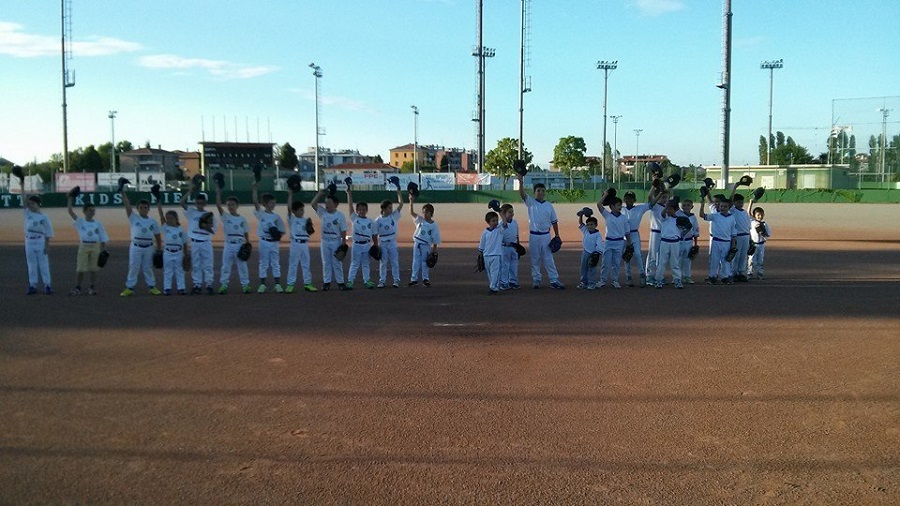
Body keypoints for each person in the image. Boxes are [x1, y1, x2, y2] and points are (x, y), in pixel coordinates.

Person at [516, 174, 564, 289]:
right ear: (534, 192)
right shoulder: (531, 202)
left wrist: (557, 235)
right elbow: (522, 194)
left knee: (548, 258)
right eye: (538, 191)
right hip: (534, 236)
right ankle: (536, 280)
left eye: (542, 190)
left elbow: (554, 221)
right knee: (535, 259)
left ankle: (554, 280)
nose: (540, 192)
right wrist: (521, 182)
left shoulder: (549, 206)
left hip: (546, 236)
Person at [120, 187, 162, 296]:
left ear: (148, 209)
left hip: (148, 247)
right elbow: (127, 204)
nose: (143, 209)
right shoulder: (133, 218)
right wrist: (122, 192)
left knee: (148, 268)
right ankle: (129, 288)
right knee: (133, 267)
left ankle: (152, 287)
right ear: (137, 209)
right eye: (141, 207)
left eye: (145, 207)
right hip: (136, 246)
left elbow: (157, 236)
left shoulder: (153, 222)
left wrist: (159, 248)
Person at [67, 195, 108, 296]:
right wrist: (70, 198)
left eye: (93, 210)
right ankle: (78, 287)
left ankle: (92, 287)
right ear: (84, 211)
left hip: (95, 247)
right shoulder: (80, 222)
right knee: (80, 268)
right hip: (84, 246)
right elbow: (70, 211)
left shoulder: (98, 224)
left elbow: (103, 238)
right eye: (90, 210)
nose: (92, 211)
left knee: (94, 269)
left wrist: (102, 250)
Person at [179, 186, 216, 294]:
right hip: (195, 242)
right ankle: (197, 285)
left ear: (205, 203)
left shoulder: (209, 215)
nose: (200, 204)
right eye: (198, 202)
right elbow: (181, 202)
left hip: (206, 242)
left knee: (208, 264)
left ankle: (209, 284)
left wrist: (205, 226)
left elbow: (213, 230)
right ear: (195, 203)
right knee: (196, 264)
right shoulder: (191, 212)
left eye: (201, 202)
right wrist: (190, 190)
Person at [215, 186, 251, 294]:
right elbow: (218, 205)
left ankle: (245, 285)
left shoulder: (242, 219)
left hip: (239, 244)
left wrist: (247, 242)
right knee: (226, 265)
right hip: (228, 244)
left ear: (237, 206)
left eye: (232, 204)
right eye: (228, 205)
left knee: (242, 266)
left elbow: (245, 231)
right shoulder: (225, 217)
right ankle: (224, 285)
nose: (230, 206)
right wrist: (218, 192)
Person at [310, 188, 349, 291]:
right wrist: (319, 193)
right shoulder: (323, 212)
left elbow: (343, 230)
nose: (326, 205)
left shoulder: (340, 215)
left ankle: (340, 282)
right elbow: (313, 204)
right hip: (325, 241)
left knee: (337, 262)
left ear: (335, 204)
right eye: (326, 202)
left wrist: (343, 243)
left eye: (329, 203)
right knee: (326, 263)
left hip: (335, 241)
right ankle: (326, 282)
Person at [252, 180, 286, 293]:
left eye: (274, 203)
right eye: (271, 203)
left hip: (274, 243)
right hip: (263, 242)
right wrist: (255, 189)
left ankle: (277, 284)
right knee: (263, 263)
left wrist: (278, 235)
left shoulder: (276, 217)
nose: (273, 205)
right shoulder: (261, 214)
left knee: (275, 263)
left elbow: (282, 230)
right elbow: (255, 202)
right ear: (265, 204)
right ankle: (262, 285)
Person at [285, 187, 317, 293]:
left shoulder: (305, 220)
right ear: (294, 211)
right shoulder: (292, 219)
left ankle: (307, 283)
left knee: (306, 264)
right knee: (293, 264)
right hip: (295, 244)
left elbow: (310, 231)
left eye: (303, 209)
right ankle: (290, 284)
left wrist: (310, 228)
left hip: (304, 244)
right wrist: (290, 195)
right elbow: (289, 209)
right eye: (300, 210)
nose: (302, 211)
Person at [596, 192, 632, 289]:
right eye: (618, 205)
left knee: (616, 263)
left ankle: (615, 280)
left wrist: (629, 243)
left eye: (621, 205)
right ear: (611, 206)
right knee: (605, 262)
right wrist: (606, 195)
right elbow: (598, 204)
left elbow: (627, 232)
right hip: (609, 242)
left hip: (619, 242)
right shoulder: (607, 215)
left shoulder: (624, 218)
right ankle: (603, 280)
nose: (620, 207)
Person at [699, 195, 737, 284]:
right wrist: (702, 205)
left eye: (725, 206)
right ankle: (712, 276)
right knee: (714, 260)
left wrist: (734, 244)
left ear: (729, 207)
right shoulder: (715, 216)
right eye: (721, 206)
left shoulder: (732, 218)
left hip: (727, 242)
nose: (723, 208)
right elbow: (702, 215)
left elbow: (733, 233)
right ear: (719, 207)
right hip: (716, 241)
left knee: (726, 260)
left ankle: (725, 277)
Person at [22, 192, 54, 295]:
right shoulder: (27, 213)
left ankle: (47, 285)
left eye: (33, 204)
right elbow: (24, 201)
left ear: (38, 204)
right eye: (29, 204)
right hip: (29, 241)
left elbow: (48, 232)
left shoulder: (44, 217)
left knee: (43, 264)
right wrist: (22, 185)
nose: (30, 205)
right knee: (31, 264)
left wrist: (47, 245)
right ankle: (33, 285)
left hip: (40, 240)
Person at [373, 184, 404, 288]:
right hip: (383, 243)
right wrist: (376, 245)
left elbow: (401, 204)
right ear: (384, 209)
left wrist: (398, 192)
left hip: (392, 242)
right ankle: (382, 281)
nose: (391, 209)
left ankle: (396, 280)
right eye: (390, 207)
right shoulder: (378, 220)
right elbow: (374, 233)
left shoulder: (393, 216)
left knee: (394, 262)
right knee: (383, 263)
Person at [652, 197, 686, 289]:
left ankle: (677, 280)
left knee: (675, 263)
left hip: (675, 243)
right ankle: (659, 280)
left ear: (675, 210)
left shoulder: (679, 219)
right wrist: (666, 206)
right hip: (665, 242)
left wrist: (681, 235)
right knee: (662, 262)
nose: (668, 211)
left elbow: (687, 228)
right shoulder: (664, 218)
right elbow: (662, 213)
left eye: (671, 209)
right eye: (668, 209)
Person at [156, 197, 188, 295]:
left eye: (171, 218)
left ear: (176, 218)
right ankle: (167, 288)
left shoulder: (181, 230)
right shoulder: (166, 227)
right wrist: (158, 202)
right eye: (167, 218)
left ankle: (181, 288)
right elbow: (161, 216)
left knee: (180, 271)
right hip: (168, 252)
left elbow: (185, 243)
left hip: (178, 252)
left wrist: (186, 254)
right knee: (168, 271)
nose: (169, 220)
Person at [408, 192, 441, 287]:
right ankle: (413, 279)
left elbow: (435, 240)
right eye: (423, 212)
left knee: (425, 262)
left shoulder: (434, 225)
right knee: (415, 261)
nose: (424, 214)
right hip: (417, 243)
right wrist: (411, 201)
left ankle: (425, 279)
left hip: (426, 245)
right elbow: (411, 212)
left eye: (426, 212)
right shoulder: (420, 220)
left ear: (431, 213)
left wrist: (433, 252)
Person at [346, 186, 375, 289]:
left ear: (366, 210)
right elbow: (350, 206)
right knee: (354, 264)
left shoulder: (370, 221)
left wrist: (375, 245)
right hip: (357, 244)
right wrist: (349, 193)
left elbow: (374, 234)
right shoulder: (354, 218)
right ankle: (350, 281)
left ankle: (366, 281)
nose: (362, 211)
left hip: (366, 244)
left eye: (363, 209)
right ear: (357, 210)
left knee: (366, 264)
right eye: (360, 209)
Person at [621, 191, 651, 287]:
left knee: (637, 254)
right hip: (624, 236)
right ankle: (628, 277)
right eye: (627, 198)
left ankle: (642, 275)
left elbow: (651, 203)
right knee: (626, 256)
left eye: (631, 198)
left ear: (634, 200)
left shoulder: (640, 208)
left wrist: (656, 190)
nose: (629, 200)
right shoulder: (620, 209)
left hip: (634, 234)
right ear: (624, 200)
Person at [728, 185, 752, 282]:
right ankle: (733, 273)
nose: (740, 204)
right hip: (737, 236)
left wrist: (751, 239)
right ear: (734, 202)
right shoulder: (732, 211)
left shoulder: (745, 213)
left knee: (744, 255)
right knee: (736, 255)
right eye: (738, 202)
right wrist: (735, 188)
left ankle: (741, 272)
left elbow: (748, 226)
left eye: (742, 202)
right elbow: (730, 201)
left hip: (746, 236)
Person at [478, 211, 504, 294]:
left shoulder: (499, 230)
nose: (496, 222)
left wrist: (499, 211)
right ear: (488, 222)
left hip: (496, 255)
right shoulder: (485, 232)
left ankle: (493, 288)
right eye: (493, 221)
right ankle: (493, 286)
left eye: (496, 220)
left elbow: (504, 222)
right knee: (489, 273)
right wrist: (481, 254)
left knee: (495, 272)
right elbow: (482, 245)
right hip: (486, 256)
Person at [676, 199, 700, 285]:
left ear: (692, 207)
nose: (686, 207)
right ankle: (677, 277)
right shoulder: (678, 214)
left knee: (687, 259)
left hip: (689, 241)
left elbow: (696, 231)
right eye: (684, 205)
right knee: (677, 259)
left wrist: (696, 245)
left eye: (688, 205)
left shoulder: (693, 217)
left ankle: (687, 277)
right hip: (679, 241)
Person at [577, 213, 603, 290]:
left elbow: (599, 244)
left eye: (591, 225)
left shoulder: (598, 234)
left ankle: (592, 283)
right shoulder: (586, 230)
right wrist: (581, 215)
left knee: (592, 268)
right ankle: (584, 282)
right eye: (588, 225)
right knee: (583, 267)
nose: (589, 226)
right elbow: (581, 223)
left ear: (596, 225)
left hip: (593, 254)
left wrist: (597, 253)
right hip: (585, 252)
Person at [499, 203, 521, 290]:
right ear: (504, 214)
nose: (512, 214)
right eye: (509, 212)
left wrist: (518, 246)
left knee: (514, 265)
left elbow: (517, 235)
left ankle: (513, 281)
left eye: (512, 212)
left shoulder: (515, 223)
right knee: (504, 266)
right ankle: (504, 282)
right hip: (504, 247)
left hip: (514, 248)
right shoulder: (501, 224)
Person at [748, 206, 771, 280]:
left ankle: (760, 273)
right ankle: (749, 273)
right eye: (758, 215)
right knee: (751, 260)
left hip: (761, 245)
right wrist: (751, 203)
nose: (760, 216)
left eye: (761, 214)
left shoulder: (764, 224)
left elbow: (768, 234)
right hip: (753, 244)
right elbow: (748, 213)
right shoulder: (752, 222)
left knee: (760, 259)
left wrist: (763, 231)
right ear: (754, 215)